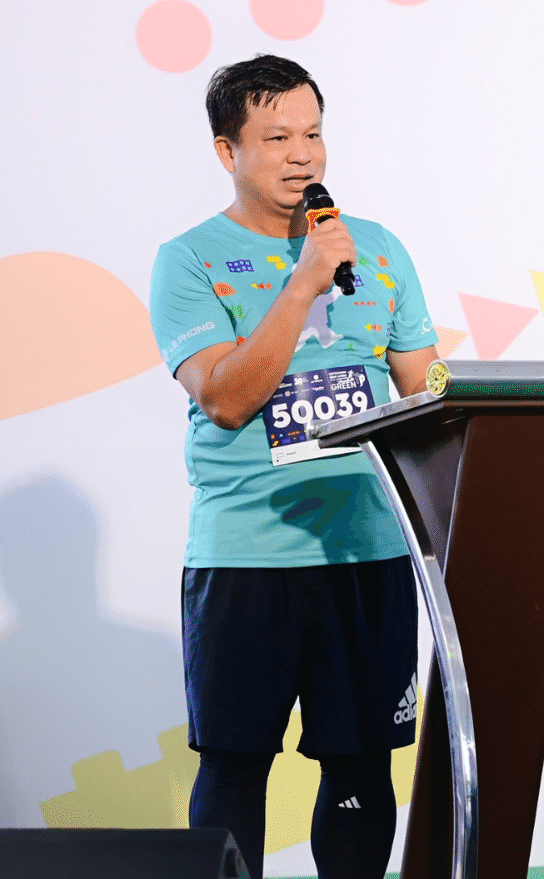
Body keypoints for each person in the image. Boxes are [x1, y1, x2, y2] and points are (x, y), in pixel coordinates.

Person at [150, 55, 437, 879]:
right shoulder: (189, 259)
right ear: (227, 151)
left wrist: (474, 398)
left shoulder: (377, 249)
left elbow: (426, 390)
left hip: (365, 550)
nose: (302, 154)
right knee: (236, 764)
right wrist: (303, 284)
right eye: (277, 138)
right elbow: (225, 398)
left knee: (361, 765)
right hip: (247, 556)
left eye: (312, 134)